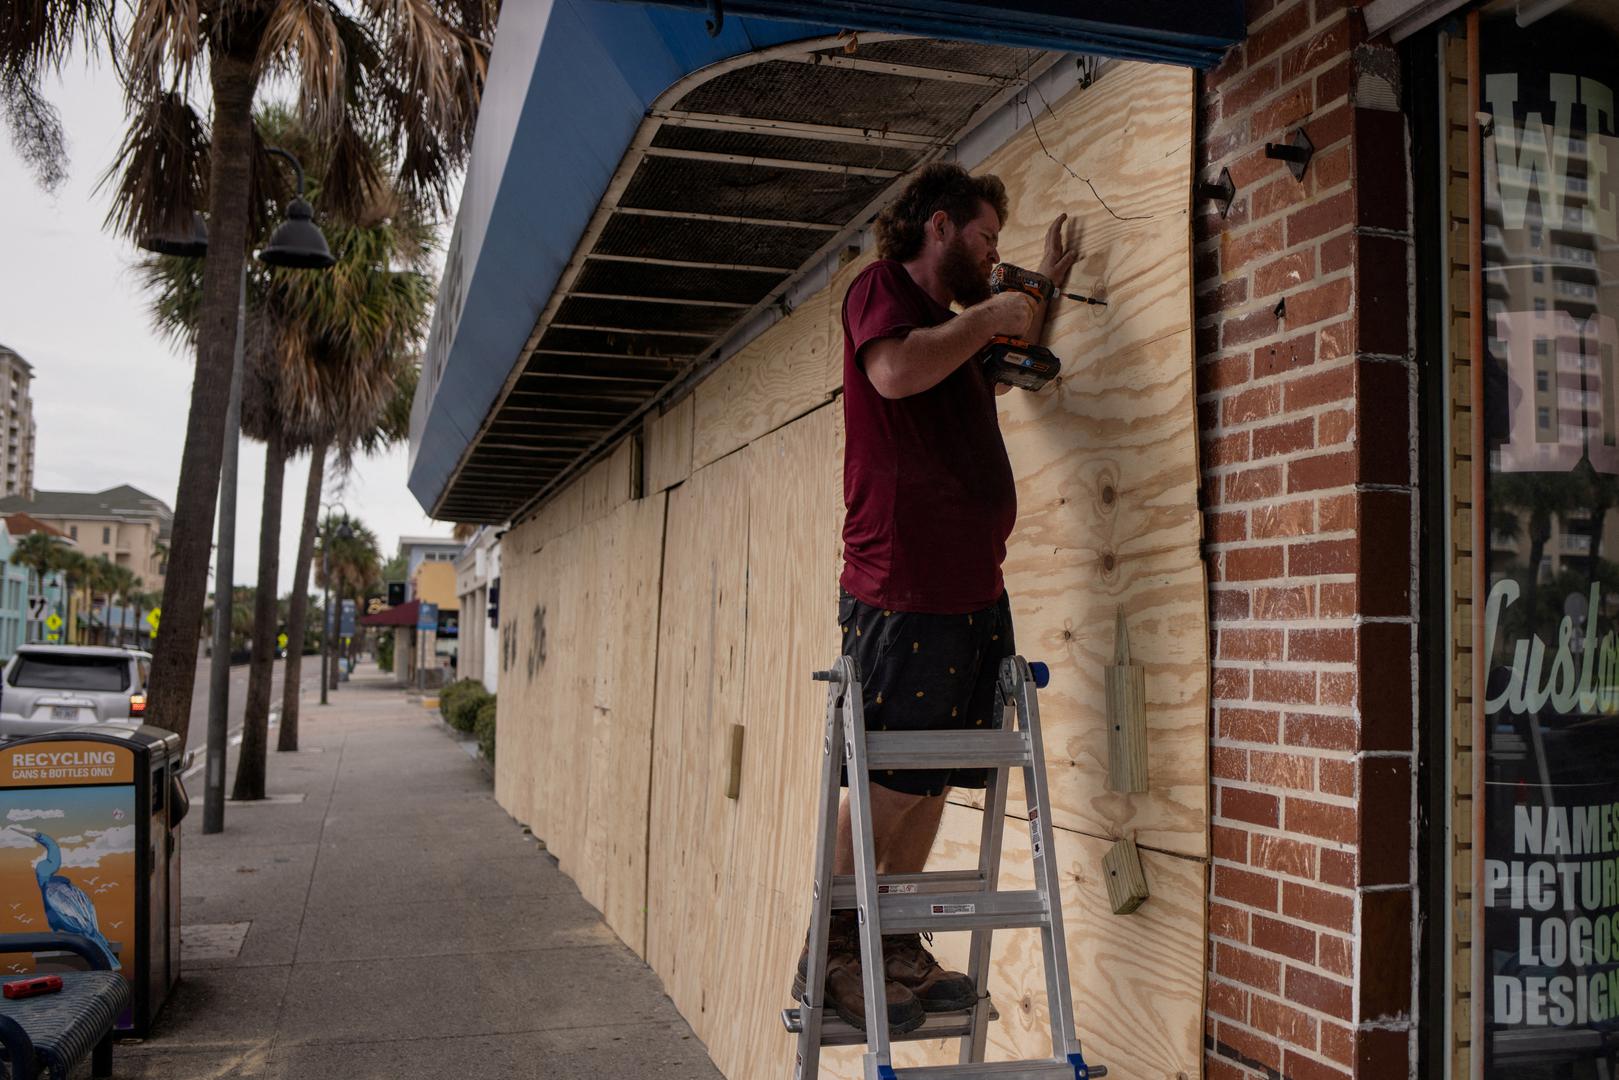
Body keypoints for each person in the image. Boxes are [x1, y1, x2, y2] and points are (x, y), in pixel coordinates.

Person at [793, 161, 1077, 1033]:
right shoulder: (879, 293)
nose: (994, 259)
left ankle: (897, 941)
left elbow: (1009, 365)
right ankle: (834, 951)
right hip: (901, 591)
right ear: (940, 226)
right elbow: (893, 375)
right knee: (883, 781)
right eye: (987, 240)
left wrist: (1044, 293)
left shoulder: (956, 338)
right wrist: (992, 313)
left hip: (969, 596)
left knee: (927, 784)